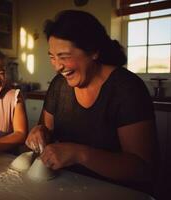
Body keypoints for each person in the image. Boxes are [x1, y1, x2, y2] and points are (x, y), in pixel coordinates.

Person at [25, 10, 157, 194]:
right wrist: (40, 133)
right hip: (67, 187)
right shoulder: (59, 85)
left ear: (93, 51)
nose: (57, 66)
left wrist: (79, 154)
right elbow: (46, 133)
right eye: (52, 57)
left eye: (63, 57)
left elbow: (141, 168)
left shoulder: (127, 88)